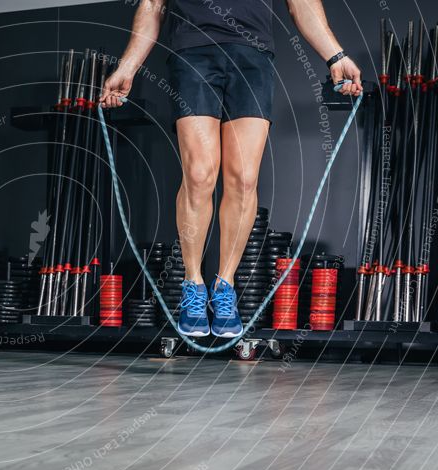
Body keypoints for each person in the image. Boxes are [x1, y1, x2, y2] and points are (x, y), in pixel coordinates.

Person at [101, 0, 361, 337]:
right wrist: (128, 67)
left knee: (243, 178)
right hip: (193, 52)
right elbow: (152, 6)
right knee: (199, 174)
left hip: (252, 57)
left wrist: (336, 56)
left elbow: (302, 4)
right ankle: (193, 285)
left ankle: (224, 287)